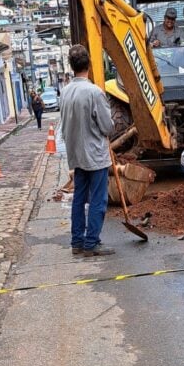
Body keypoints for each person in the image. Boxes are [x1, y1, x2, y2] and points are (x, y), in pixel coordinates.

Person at [60, 44, 116, 256]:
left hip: (75, 154)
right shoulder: (95, 92)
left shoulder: (65, 92)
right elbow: (107, 126)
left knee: (78, 198)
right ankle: (91, 242)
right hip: (95, 155)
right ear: (89, 65)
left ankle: (77, 242)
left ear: (71, 66)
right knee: (98, 200)